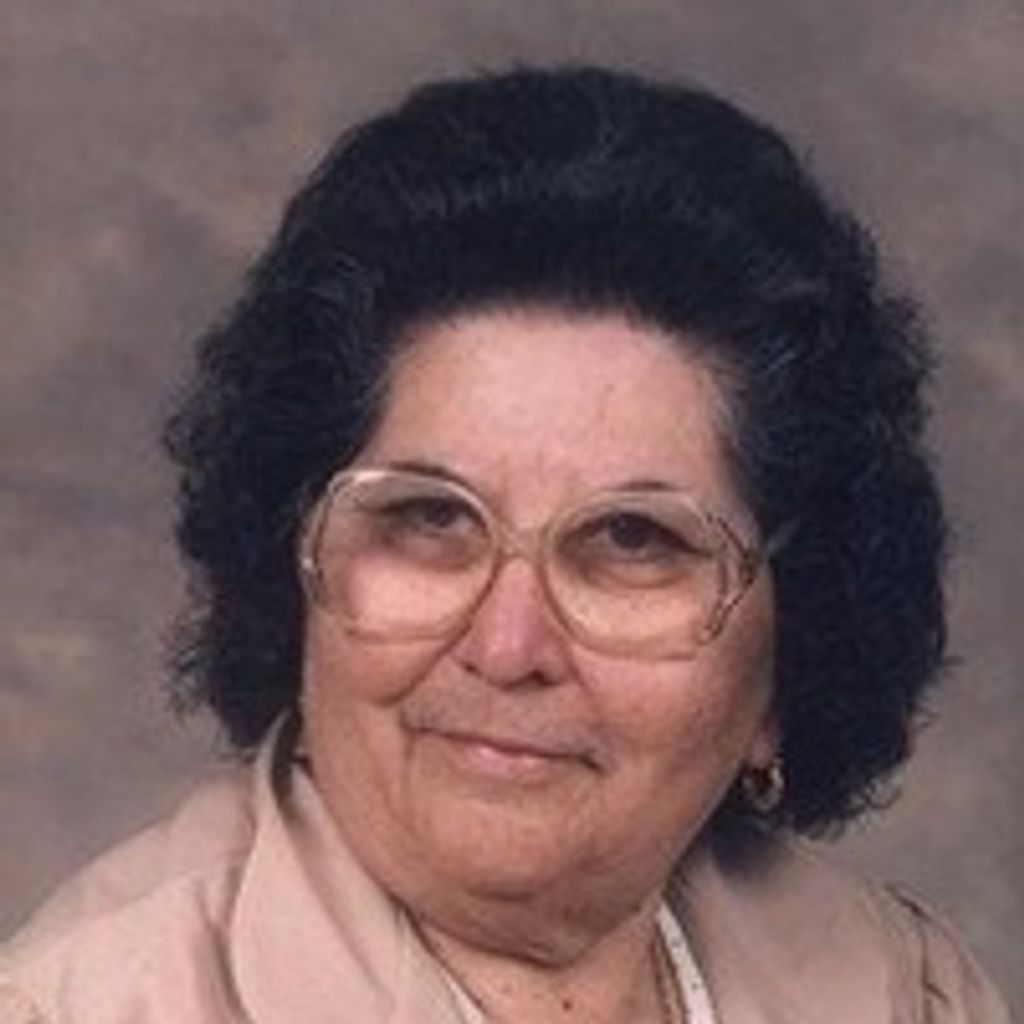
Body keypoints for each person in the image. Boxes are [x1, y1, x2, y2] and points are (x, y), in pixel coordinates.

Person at [0, 66, 1010, 1023]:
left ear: (799, 642)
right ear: (297, 565)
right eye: (428, 519)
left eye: (632, 539)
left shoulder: (904, 989)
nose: (507, 644)